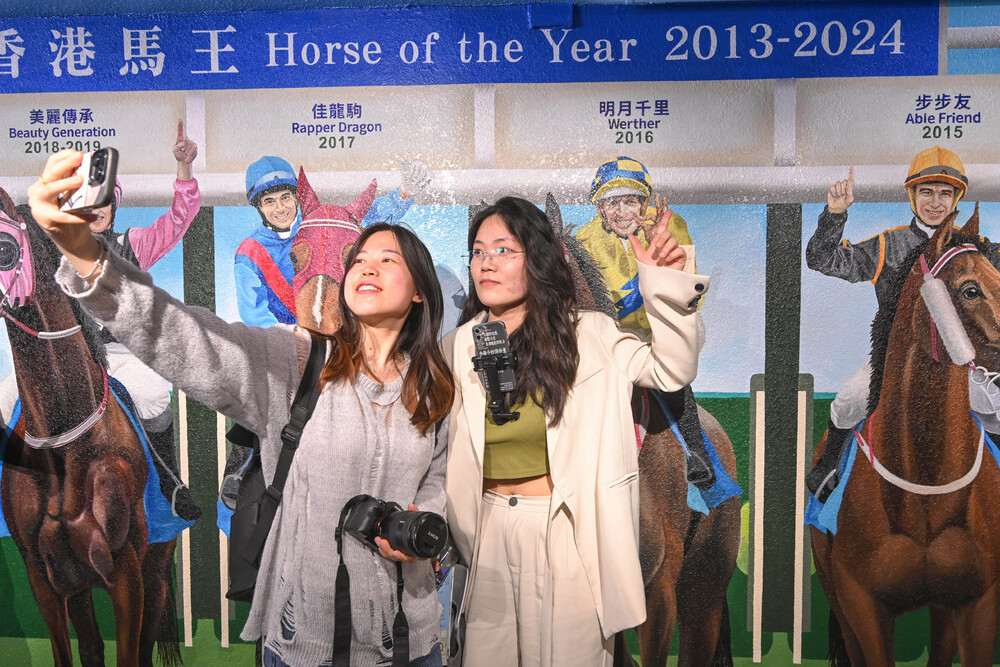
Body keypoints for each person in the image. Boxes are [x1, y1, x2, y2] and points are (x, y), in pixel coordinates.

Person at [29, 149, 454, 667]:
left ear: (418, 290)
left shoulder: (434, 382)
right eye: (357, 259)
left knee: (147, 400)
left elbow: (443, 472)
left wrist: (423, 518)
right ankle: (200, 478)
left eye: (386, 260)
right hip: (304, 644)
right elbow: (186, 336)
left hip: (414, 643)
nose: (365, 267)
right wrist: (86, 257)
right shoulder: (290, 359)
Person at [442, 196, 709, 666]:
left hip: (569, 529)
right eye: (478, 251)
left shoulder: (592, 334)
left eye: (504, 250)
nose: (487, 262)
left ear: (539, 258)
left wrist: (666, 287)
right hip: (486, 533)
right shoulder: (458, 346)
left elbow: (671, 370)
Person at [0, 120, 201, 520]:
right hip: (67, 357)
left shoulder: (134, 245)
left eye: (102, 203)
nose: (94, 212)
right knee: (5, 401)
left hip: (122, 354)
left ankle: (170, 481)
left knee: (154, 394)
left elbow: (179, 219)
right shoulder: (53, 255)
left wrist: (184, 170)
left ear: (114, 207)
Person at [805, 146, 1000, 501]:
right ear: (912, 195)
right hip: (895, 360)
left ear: (957, 197)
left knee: (993, 409)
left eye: (945, 193)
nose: (936, 202)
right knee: (850, 398)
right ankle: (828, 466)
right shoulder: (888, 245)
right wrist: (835, 213)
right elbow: (822, 259)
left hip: (962, 362)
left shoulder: (977, 247)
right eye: (927, 191)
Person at [574, 155, 715, 487]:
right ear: (599, 208)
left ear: (644, 202)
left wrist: (656, 243)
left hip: (669, 320)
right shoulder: (585, 238)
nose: (622, 212)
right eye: (613, 203)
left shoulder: (670, 224)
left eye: (631, 201)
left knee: (672, 364)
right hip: (616, 330)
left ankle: (698, 452)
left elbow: (690, 290)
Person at [236, 156, 431, 327]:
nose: (280, 208)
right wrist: (294, 341)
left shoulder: (315, 225)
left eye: (285, 197)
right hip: (287, 344)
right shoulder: (250, 251)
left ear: (296, 197)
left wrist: (403, 194)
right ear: (259, 207)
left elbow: (366, 219)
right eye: (269, 201)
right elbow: (253, 312)